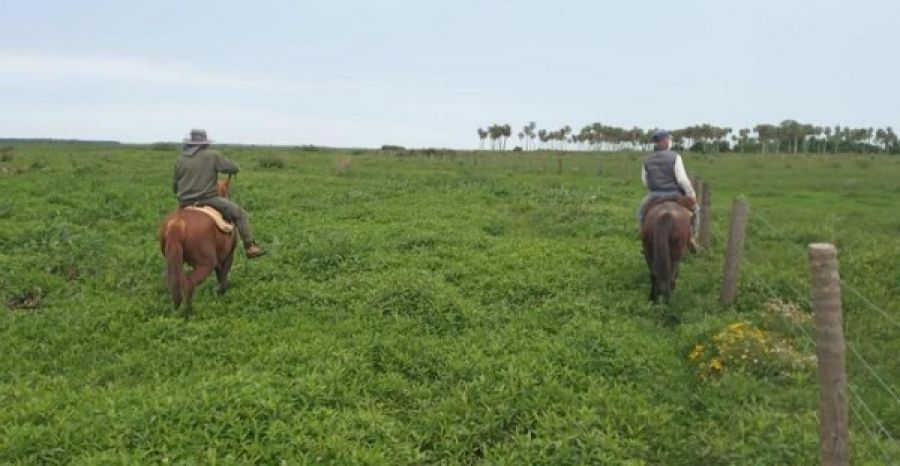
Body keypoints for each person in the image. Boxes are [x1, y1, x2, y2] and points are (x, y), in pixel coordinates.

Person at [173, 128, 266, 258]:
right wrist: (234, 167)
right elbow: (233, 167)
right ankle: (250, 247)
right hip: (208, 199)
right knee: (240, 214)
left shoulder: (180, 159)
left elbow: (175, 186)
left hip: (184, 202)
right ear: (205, 143)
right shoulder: (212, 155)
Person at [637, 129, 698, 241]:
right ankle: (692, 237)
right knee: (695, 210)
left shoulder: (647, 160)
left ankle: (643, 237)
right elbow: (682, 180)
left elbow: (645, 181)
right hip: (675, 195)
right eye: (669, 140)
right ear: (665, 141)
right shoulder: (675, 157)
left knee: (640, 214)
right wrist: (691, 194)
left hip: (654, 195)